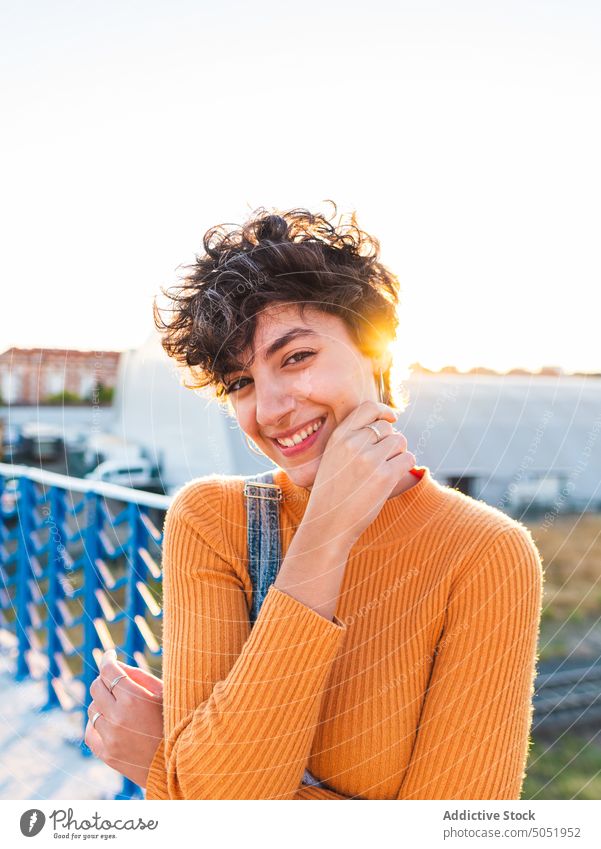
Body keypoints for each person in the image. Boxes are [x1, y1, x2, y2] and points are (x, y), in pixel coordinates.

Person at [84, 203, 543, 800]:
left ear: (376, 351)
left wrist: (160, 767)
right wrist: (327, 531)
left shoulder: (486, 553)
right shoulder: (211, 522)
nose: (270, 409)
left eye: (296, 357)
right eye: (240, 382)